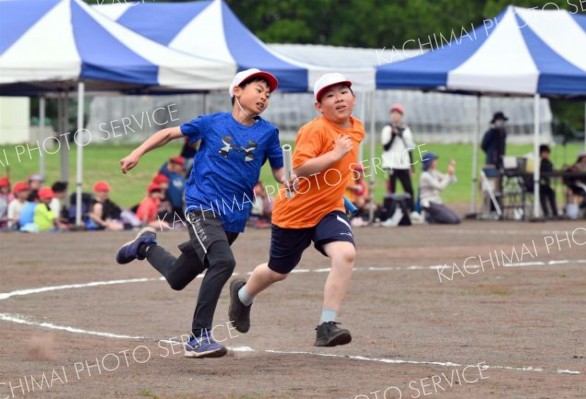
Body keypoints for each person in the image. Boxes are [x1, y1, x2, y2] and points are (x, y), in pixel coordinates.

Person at [115, 68, 285, 358]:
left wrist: (292, 180)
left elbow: (280, 173)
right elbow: (169, 133)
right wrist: (136, 153)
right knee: (222, 262)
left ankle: (145, 246)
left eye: (268, 94)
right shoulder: (212, 123)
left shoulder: (268, 133)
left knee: (177, 277)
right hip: (201, 207)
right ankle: (198, 337)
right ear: (237, 91)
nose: (264, 96)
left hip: (233, 218)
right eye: (259, 89)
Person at [228, 72, 364, 347]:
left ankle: (327, 325)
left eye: (343, 92)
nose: (338, 98)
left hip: (329, 209)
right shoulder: (316, 129)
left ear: (354, 97)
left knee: (345, 254)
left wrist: (350, 167)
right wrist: (336, 154)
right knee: (279, 271)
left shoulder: (357, 127)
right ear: (319, 106)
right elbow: (298, 169)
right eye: (330, 95)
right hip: (295, 213)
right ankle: (242, 295)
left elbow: (343, 159)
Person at [381, 104, 418, 217]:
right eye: (393, 113)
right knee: (391, 190)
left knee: (409, 189)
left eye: (397, 114)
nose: (395, 116)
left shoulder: (406, 130)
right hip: (391, 164)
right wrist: (393, 135)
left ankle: (412, 211)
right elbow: (386, 147)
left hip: (403, 164)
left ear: (401, 116)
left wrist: (412, 164)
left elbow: (410, 147)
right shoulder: (387, 129)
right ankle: (390, 212)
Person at [419, 153, 460, 224]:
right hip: (428, 204)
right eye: (434, 161)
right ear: (429, 163)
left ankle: (432, 216)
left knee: (457, 219)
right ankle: (429, 218)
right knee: (452, 220)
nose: (436, 162)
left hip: (437, 202)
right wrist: (449, 175)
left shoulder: (434, 172)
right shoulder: (425, 176)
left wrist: (451, 171)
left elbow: (453, 180)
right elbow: (440, 187)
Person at [159, 156, 187, 221]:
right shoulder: (169, 175)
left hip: (181, 205)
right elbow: (163, 170)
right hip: (171, 205)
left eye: (179, 165)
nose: (176, 166)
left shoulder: (182, 177)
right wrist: (169, 164)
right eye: (174, 164)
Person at [539, 145, 558, 219]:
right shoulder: (537, 161)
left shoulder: (548, 162)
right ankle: (546, 213)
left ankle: (555, 213)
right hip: (536, 185)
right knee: (542, 193)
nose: (547, 154)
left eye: (547, 153)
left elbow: (551, 172)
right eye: (545, 153)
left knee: (551, 192)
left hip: (545, 185)